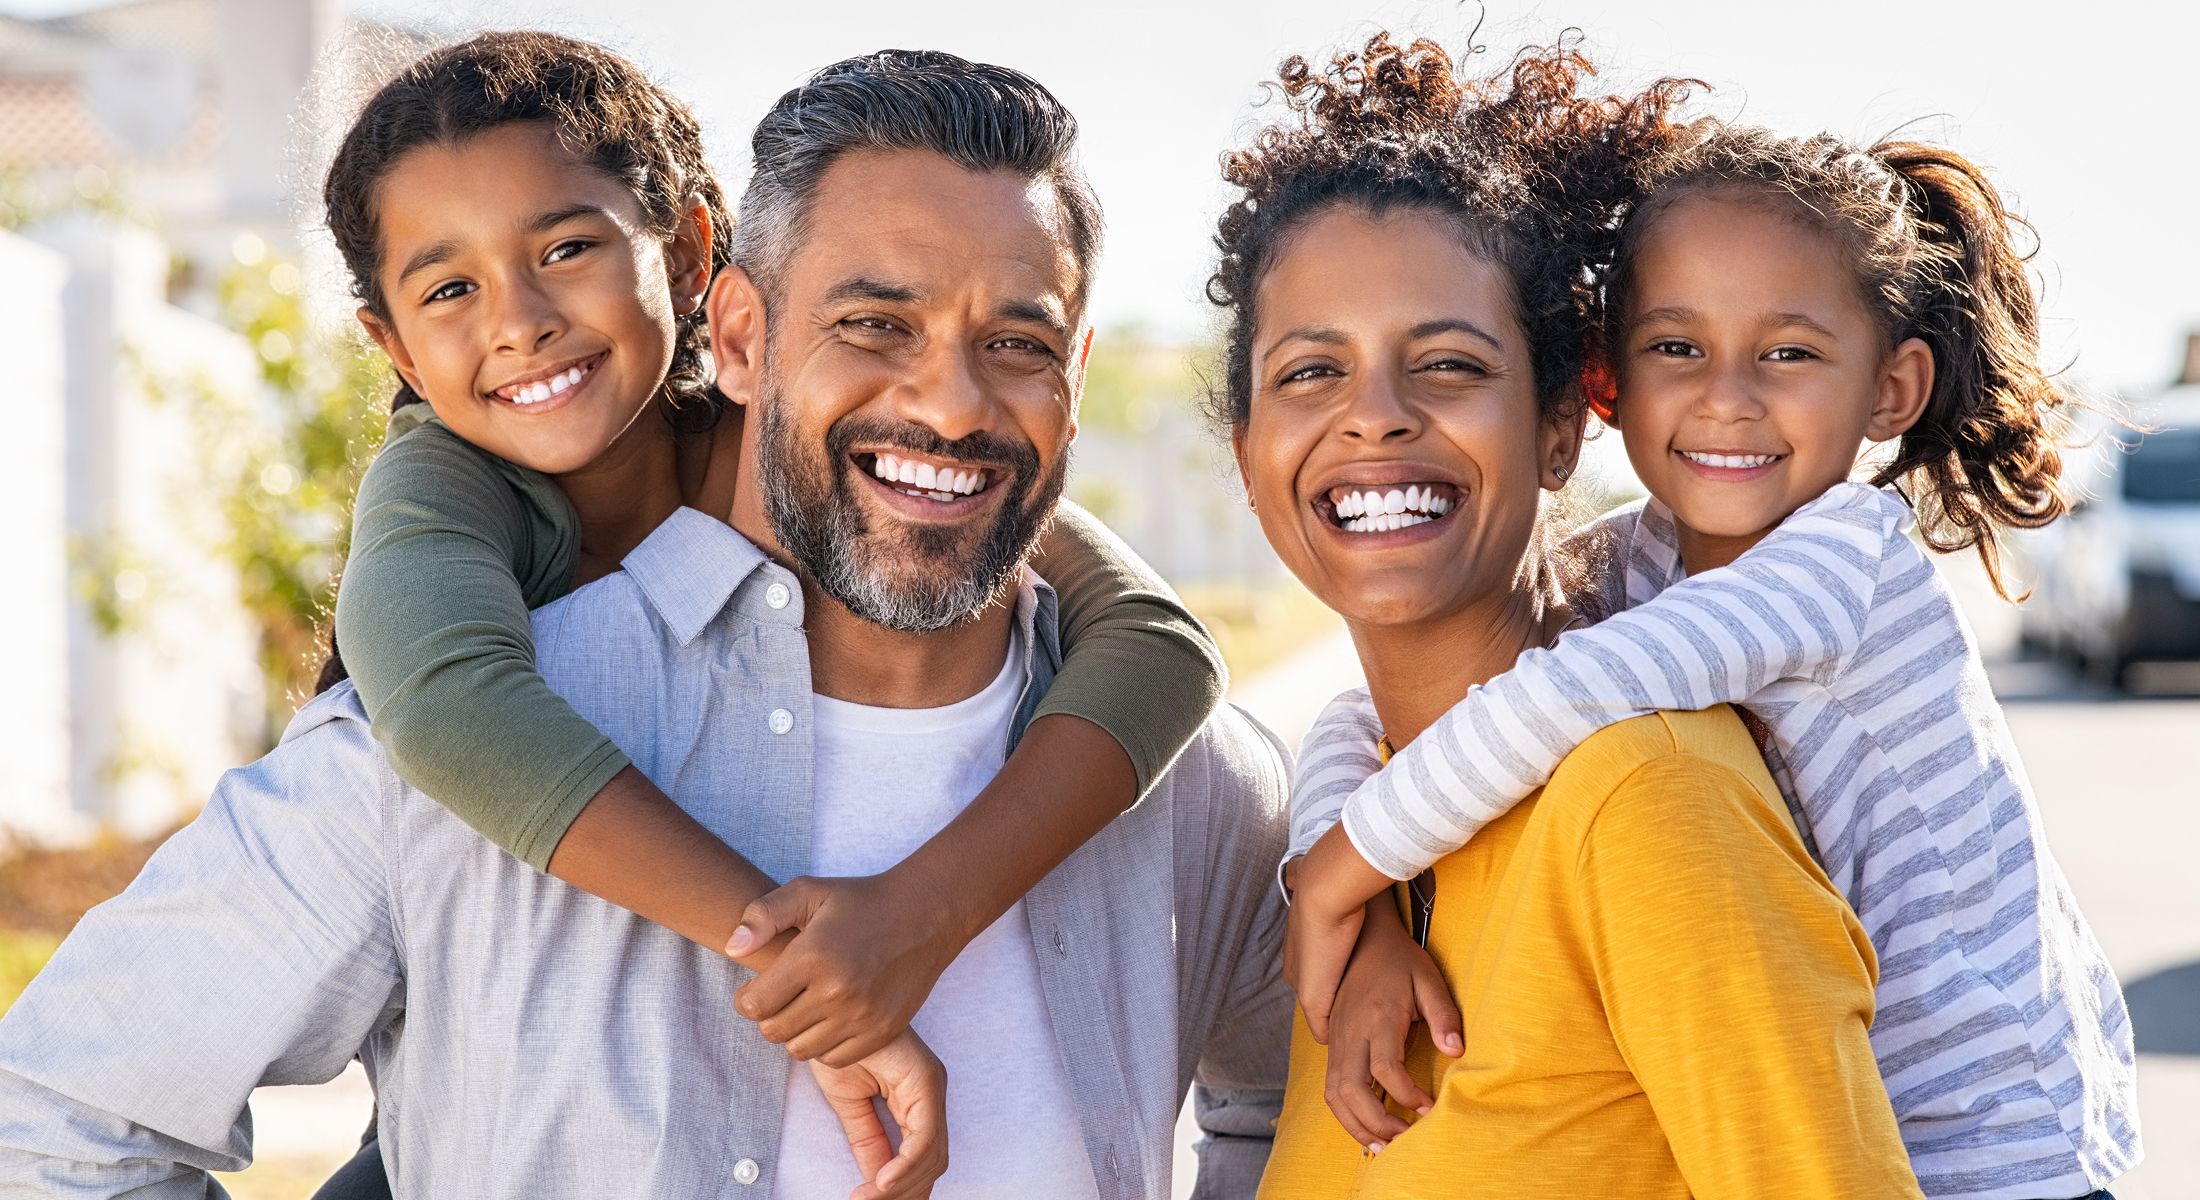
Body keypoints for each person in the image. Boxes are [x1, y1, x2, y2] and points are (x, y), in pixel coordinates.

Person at [0, 48, 1291, 1199]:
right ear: (740, 332)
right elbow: (55, 1126)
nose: (950, 404)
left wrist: (922, 913)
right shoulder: (420, 735)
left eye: (1018, 341)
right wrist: (781, 938)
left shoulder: (1193, 785)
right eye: (873, 324)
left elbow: (1302, 1117)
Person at [1282, 63, 2138, 1200]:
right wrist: (1357, 893)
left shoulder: (1842, 563)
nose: (1727, 396)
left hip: (1999, 1155)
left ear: (1891, 390)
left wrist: (1342, 871)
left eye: (1786, 352)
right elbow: (1374, 716)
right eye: (1676, 348)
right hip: (1857, 1107)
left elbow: (1548, 702)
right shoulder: (1640, 561)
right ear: (1605, 382)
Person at [324, 29, 1226, 1083]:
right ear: (391, 346)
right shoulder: (443, 485)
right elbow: (446, 707)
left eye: (567, 249)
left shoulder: (813, 444)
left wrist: (923, 911)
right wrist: (797, 953)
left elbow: (1158, 645)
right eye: (449, 289)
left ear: (689, 254)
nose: (520, 322)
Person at [1211, 33, 1921, 1197]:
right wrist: (1348, 881)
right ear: (1247, 455)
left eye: (1445, 363)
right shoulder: (1354, 856)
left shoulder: (1642, 798)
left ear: (1558, 427)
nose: (1373, 417)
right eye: (1307, 373)